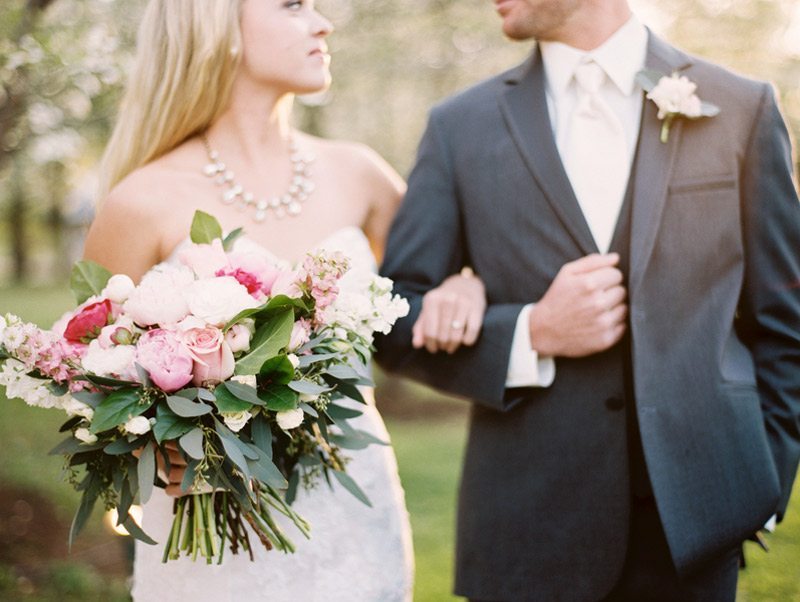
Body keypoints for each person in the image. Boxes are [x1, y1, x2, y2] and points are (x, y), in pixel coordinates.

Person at [377, 0, 800, 600]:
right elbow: (390, 320)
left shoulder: (739, 107)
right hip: (528, 533)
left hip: (698, 532)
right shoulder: (459, 126)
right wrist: (530, 334)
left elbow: (786, 320)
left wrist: (765, 488)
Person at [82, 1, 482, 600]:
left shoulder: (360, 174)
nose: (322, 22)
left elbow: (435, 282)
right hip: (209, 536)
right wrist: (152, 439)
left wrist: (467, 281)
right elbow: (90, 374)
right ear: (217, 27)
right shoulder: (141, 201)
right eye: (293, 5)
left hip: (354, 515)